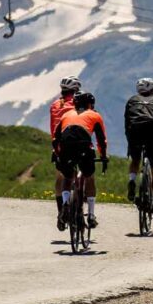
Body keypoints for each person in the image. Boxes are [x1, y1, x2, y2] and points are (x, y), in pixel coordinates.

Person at [54, 91, 108, 229]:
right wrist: (103, 156)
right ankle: (91, 215)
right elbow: (101, 140)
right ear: (90, 104)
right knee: (89, 177)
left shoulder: (66, 115)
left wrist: (58, 153)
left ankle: (65, 205)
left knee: (67, 177)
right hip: (84, 147)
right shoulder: (95, 115)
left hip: (66, 147)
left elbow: (56, 138)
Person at [124, 77, 153, 218]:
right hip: (152, 134)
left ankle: (132, 181)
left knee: (135, 160)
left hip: (134, 133)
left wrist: (130, 141)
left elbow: (127, 123)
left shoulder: (132, 100)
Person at [49, 76, 81, 231]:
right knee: (81, 173)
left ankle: (61, 212)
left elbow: (52, 127)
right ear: (76, 90)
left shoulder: (55, 105)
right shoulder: (79, 104)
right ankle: (79, 204)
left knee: (60, 178)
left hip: (59, 146)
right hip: (77, 144)